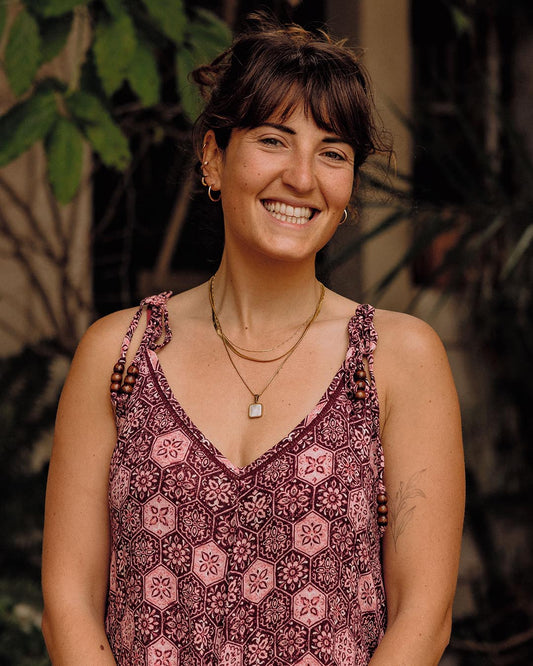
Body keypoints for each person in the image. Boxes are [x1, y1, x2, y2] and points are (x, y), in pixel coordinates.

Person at [41, 14, 465, 666]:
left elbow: (424, 617)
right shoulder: (119, 353)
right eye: (273, 140)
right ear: (213, 157)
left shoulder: (396, 359)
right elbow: (68, 602)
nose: (302, 177)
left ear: (350, 187)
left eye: (332, 153)